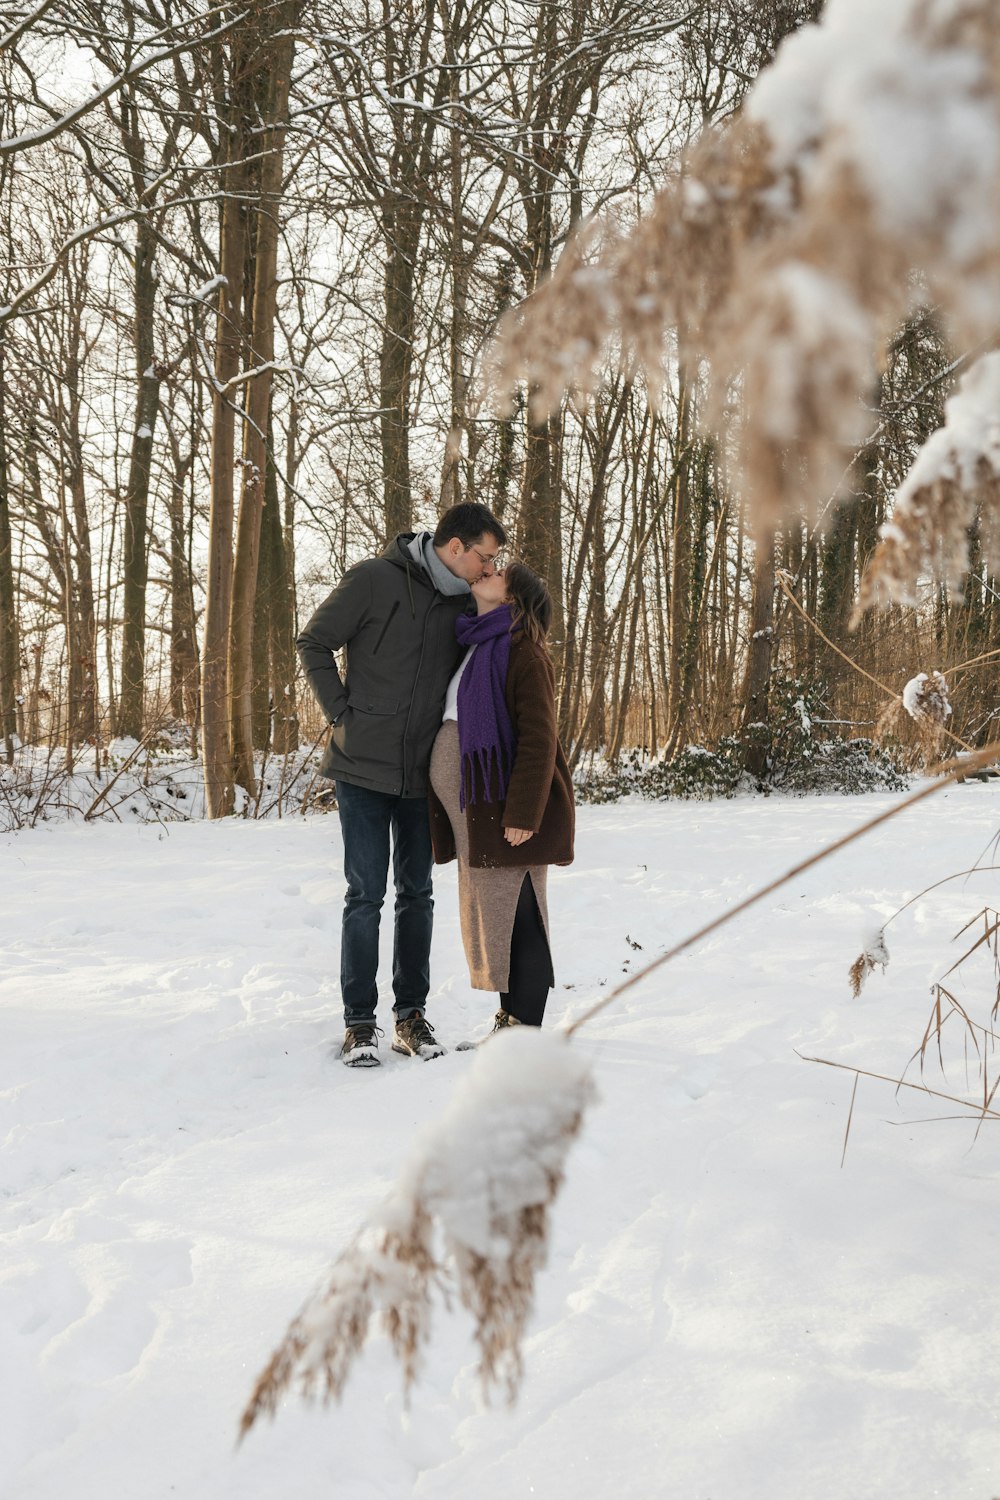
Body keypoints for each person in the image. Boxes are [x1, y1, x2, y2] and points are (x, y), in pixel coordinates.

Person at [296, 502, 508, 1067]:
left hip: (422, 774)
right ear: (456, 546)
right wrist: (341, 712)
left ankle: (409, 1016)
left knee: (417, 894)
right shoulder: (372, 579)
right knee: (365, 894)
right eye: (485, 556)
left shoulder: (465, 600)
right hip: (361, 767)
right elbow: (314, 642)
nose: (489, 567)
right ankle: (358, 1023)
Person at [427, 560, 575, 1033]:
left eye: (495, 574)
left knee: (521, 912)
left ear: (512, 597)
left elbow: (540, 739)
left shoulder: (525, 653)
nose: (482, 574)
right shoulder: (478, 643)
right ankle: (511, 1017)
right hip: (478, 807)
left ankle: (524, 1025)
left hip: (504, 806)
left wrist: (524, 813)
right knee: (498, 916)